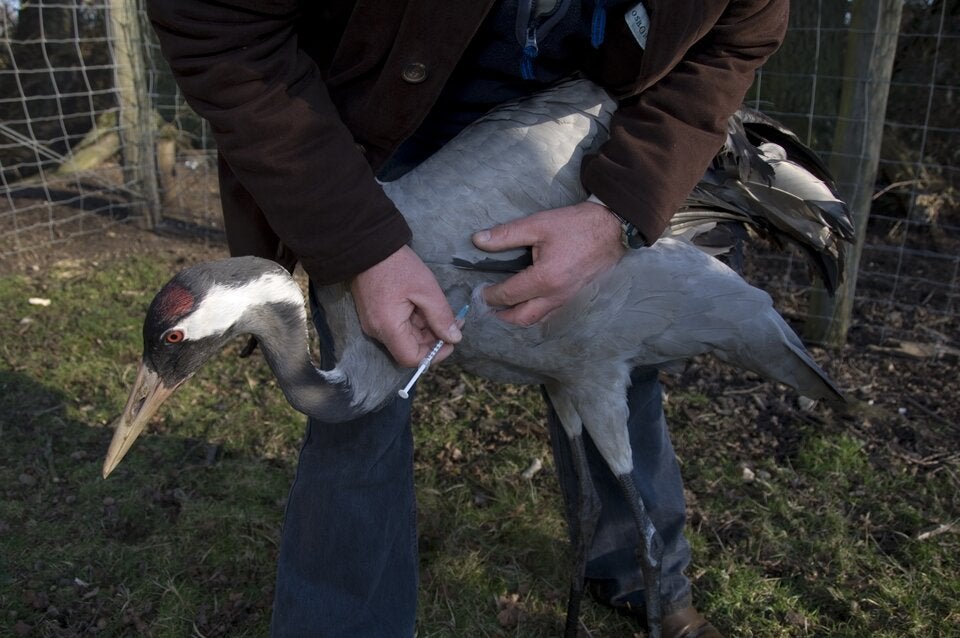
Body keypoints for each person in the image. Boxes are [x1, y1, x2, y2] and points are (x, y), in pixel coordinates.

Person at [146, 1, 788, 636]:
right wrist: (361, 248)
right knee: (360, 401)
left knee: (611, 352)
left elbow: (734, 39)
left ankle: (650, 587)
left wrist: (618, 208)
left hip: (575, 112)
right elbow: (212, 28)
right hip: (380, 115)